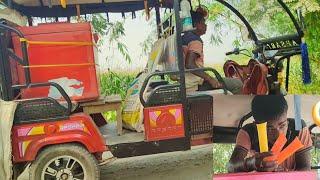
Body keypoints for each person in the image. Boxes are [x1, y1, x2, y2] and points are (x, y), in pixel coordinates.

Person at [227, 95, 312, 172]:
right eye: (269, 128)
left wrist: (286, 176)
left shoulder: (298, 128)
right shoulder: (248, 132)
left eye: (282, 125)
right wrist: (252, 163)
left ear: (287, 120)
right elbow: (231, 166)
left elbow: (305, 168)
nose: (279, 135)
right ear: (256, 126)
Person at [182, 10, 243, 94]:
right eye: (203, 22)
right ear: (196, 25)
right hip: (195, 85)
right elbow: (189, 64)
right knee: (237, 84)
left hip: (185, 84)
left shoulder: (183, 39)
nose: (205, 25)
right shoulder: (195, 40)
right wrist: (210, 79)